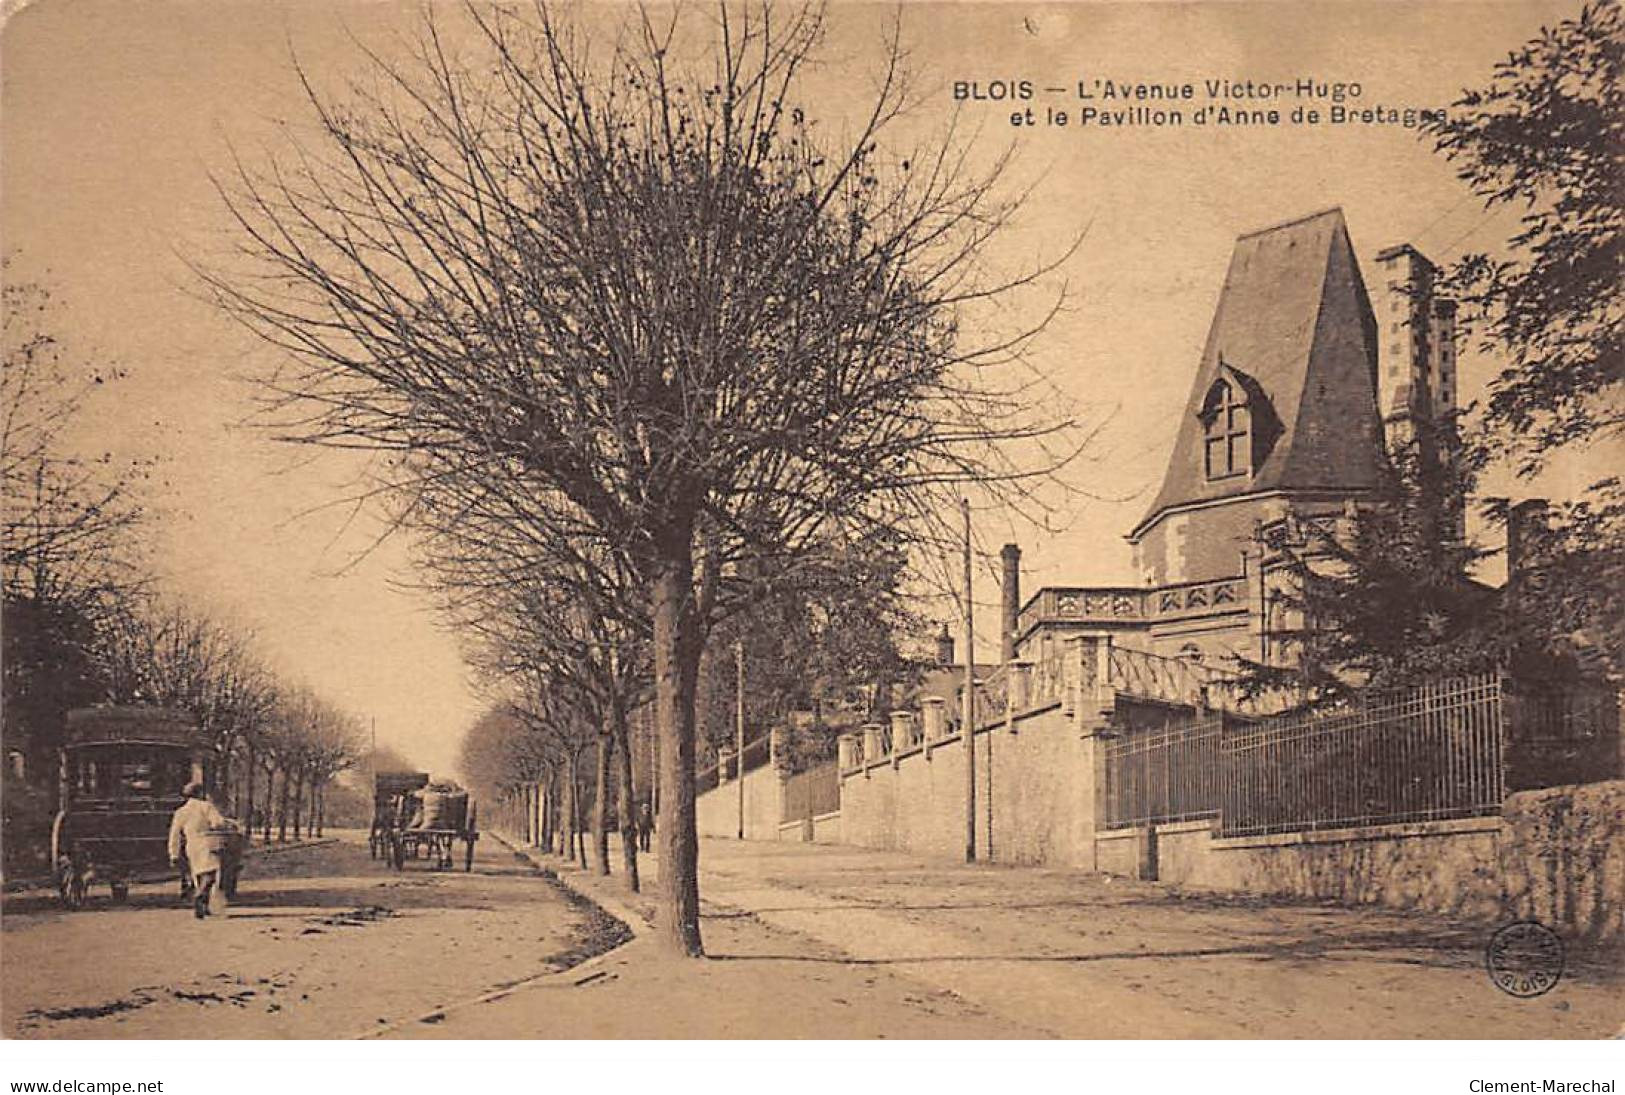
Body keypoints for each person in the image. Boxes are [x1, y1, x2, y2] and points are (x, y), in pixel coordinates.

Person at [168, 781, 228, 919]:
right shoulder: (206, 807)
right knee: (211, 875)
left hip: (191, 845)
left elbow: (174, 834)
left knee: (199, 874)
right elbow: (218, 822)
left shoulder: (181, 812)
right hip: (207, 842)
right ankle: (199, 895)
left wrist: (174, 853)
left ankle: (204, 906)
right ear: (200, 793)